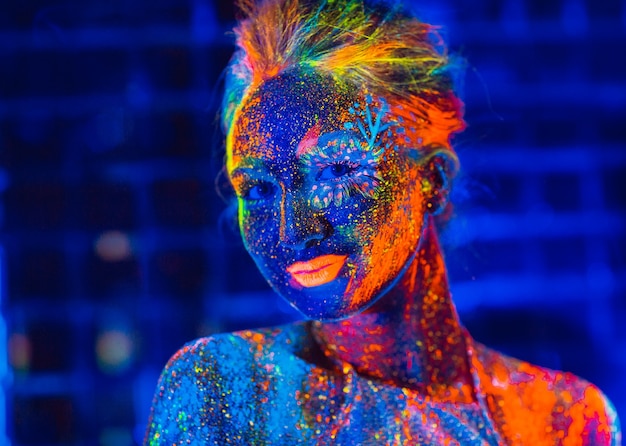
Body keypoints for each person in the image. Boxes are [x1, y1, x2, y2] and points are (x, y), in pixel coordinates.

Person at [145, 0, 621, 444]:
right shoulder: (229, 387)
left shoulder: (565, 419)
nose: (294, 230)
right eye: (260, 189)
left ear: (430, 180)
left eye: (336, 168)